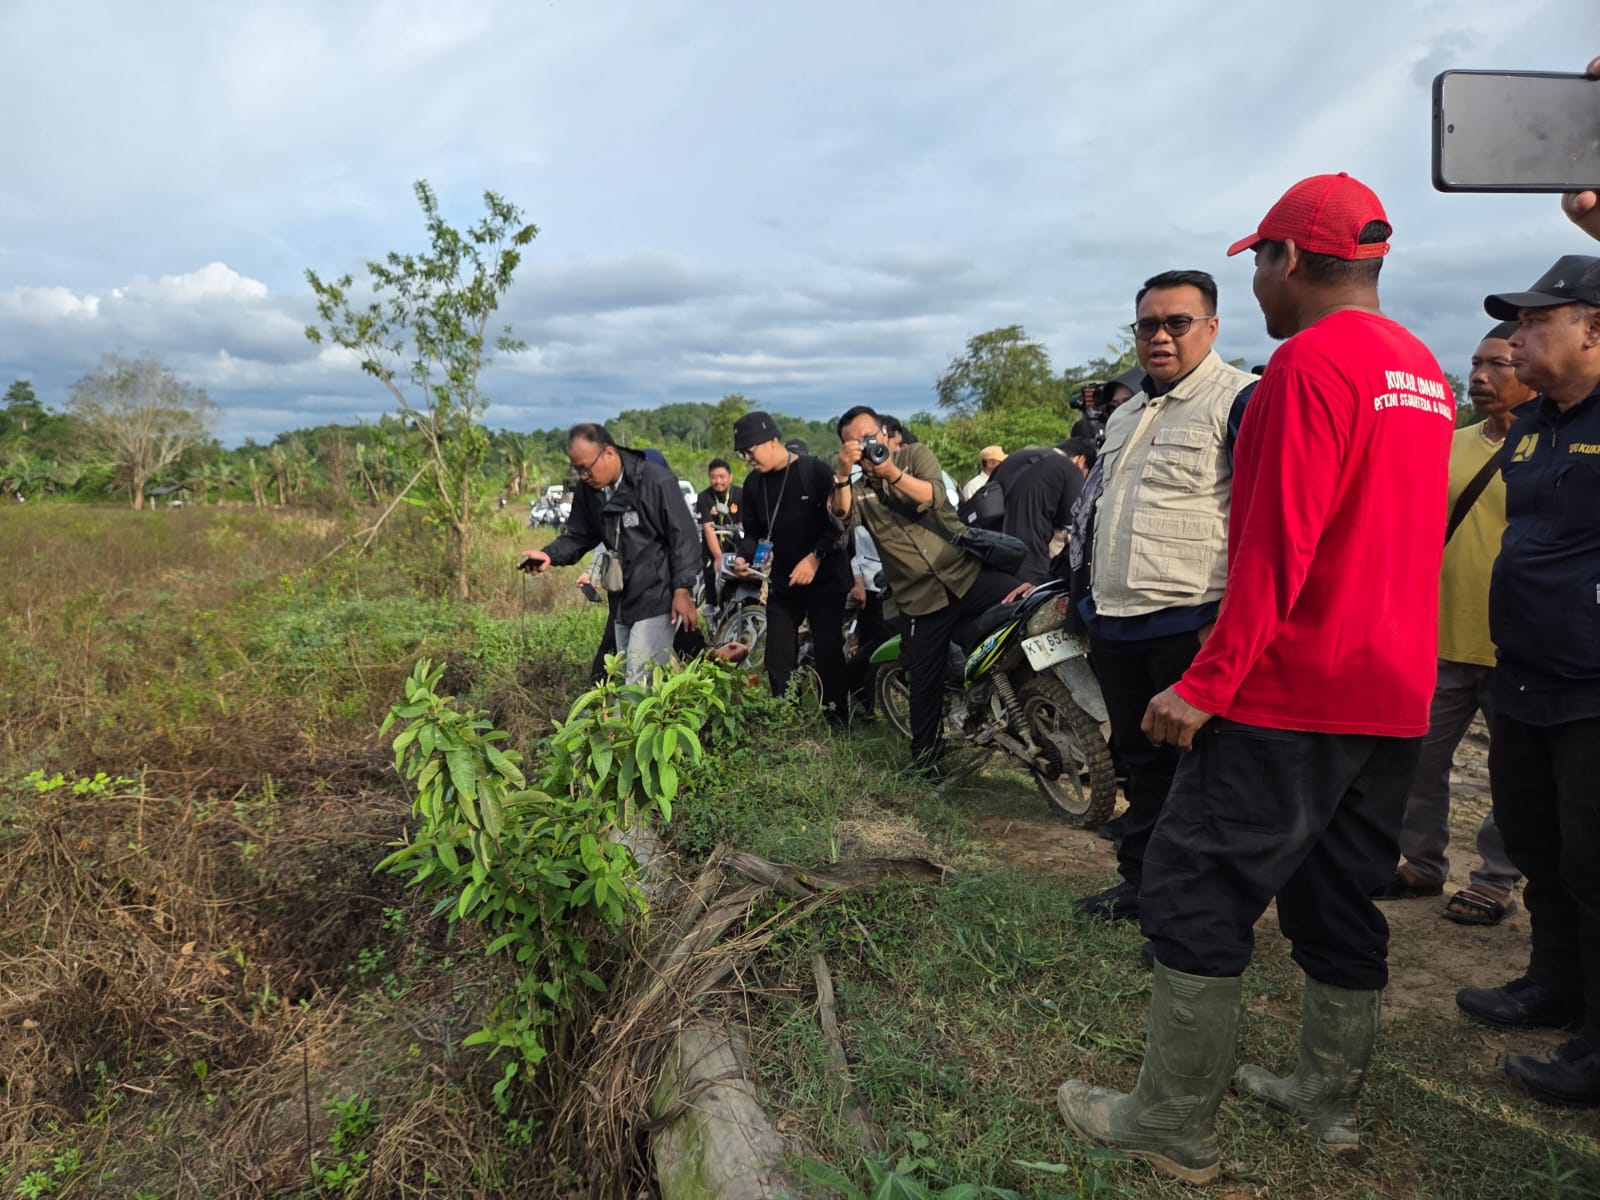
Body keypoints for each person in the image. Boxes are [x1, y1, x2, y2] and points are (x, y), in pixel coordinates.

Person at [1058, 174, 1455, 1182]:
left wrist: (1206, 683)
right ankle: (1325, 1098)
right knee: (1337, 891)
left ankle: (1168, 1123)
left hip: (1294, 689)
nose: (1260, 282)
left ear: (1284, 260)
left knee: (1194, 887)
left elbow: (1277, 549)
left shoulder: (1304, 369)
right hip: (1392, 688)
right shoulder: (1420, 371)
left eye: (1258, 262)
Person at [1455, 256, 1600, 1107]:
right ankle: (1554, 984)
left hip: (1592, 685)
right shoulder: (1536, 421)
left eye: (1535, 322)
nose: (1516, 338)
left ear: (1593, 328)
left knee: (1595, 861)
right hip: (1524, 674)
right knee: (1537, 845)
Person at [1070, 269, 1256, 923]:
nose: (1161, 336)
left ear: (1211, 327)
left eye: (1178, 322)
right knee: (1139, 766)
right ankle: (1142, 887)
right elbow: (1097, 510)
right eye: (1148, 324)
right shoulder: (1125, 413)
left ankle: (1193, 910)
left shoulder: (1240, 401)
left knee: (1199, 777)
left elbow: (1261, 525)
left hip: (1191, 625)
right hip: (1117, 624)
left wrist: (1229, 628)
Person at [1375, 323, 1530, 924]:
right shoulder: (1453, 442)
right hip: (1440, 635)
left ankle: (1495, 876)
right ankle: (1419, 862)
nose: (1480, 377)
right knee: (1419, 759)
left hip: (1518, 645)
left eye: (1497, 365)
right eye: (1475, 363)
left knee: (1512, 772)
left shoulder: (1553, 444)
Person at [830, 405, 1018, 771]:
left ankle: (1035, 706)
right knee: (924, 682)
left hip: (964, 574)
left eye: (869, 435)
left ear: (884, 433)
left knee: (1026, 602)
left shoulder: (915, 456)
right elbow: (840, 516)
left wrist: (891, 472)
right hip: (920, 598)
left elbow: (930, 496)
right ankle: (926, 761)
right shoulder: (857, 489)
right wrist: (841, 474)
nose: (866, 444)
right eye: (855, 442)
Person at [519, 424, 700, 684]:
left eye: (586, 467)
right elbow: (580, 533)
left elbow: (684, 536)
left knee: (639, 682)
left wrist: (682, 590)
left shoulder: (655, 481)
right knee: (626, 676)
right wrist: (550, 554)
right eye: (577, 469)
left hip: (658, 595)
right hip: (622, 598)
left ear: (609, 453)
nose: (583, 475)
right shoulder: (589, 490)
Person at [730, 411, 851, 718]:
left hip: (825, 577)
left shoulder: (814, 471)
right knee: (778, 654)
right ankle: (786, 716)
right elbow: (754, 533)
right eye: (742, 454)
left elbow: (839, 524)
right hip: (784, 581)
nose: (747, 459)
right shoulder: (753, 484)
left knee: (827, 650)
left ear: (772, 440)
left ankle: (835, 719)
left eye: (750, 451)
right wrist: (744, 556)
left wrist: (815, 558)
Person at [996, 444, 1088, 582]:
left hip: (991, 549)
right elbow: (1071, 520)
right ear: (1081, 460)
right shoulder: (1071, 470)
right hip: (1029, 557)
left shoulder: (1014, 458)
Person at [695, 458, 743, 600]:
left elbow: (744, 524)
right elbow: (708, 528)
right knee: (713, 593)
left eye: (722, 476)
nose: (718, 481)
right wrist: (718, 557)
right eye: (713, 477)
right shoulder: (704, 497)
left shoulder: (740, 494)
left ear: (730, 477)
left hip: (735, 550)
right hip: (712, 552)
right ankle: (712, 613)